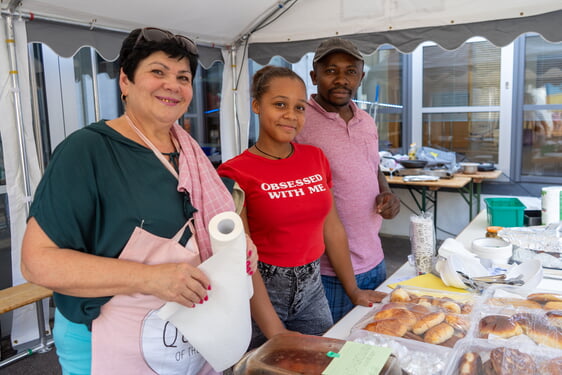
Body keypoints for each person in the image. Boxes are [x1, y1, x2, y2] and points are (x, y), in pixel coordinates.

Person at [20, 27, 257, 375]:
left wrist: (237, 250)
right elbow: (37, 263)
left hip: (191, 335)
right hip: (103, 340)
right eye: (157, 72)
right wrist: (151, 279)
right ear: (125, 82)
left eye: (183, 77)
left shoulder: (190, 153)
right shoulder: (88, 151)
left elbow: (206, 231)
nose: (172, 85)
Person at [217, 66, 385, 348]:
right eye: (279, 104)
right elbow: (240, 260)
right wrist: (274, 329)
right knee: (266, 368)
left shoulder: (315, 158)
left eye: (299, 107)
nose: (291, 115)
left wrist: (353, 291)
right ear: (257, 106)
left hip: (312, 287)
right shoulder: (234, 172)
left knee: (321, 362)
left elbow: (332, 228)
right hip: (262, 292)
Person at [295, 37, 401, 322]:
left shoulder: (365, 120)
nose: (341, 79)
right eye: (331, 71)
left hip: (376, 260)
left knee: (372, 345)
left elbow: (373, 167)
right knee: (331, 356)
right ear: (314, 75)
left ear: (361, 77)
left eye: (350, 71)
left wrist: (387, 193)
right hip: (326, 272)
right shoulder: (298, 121)